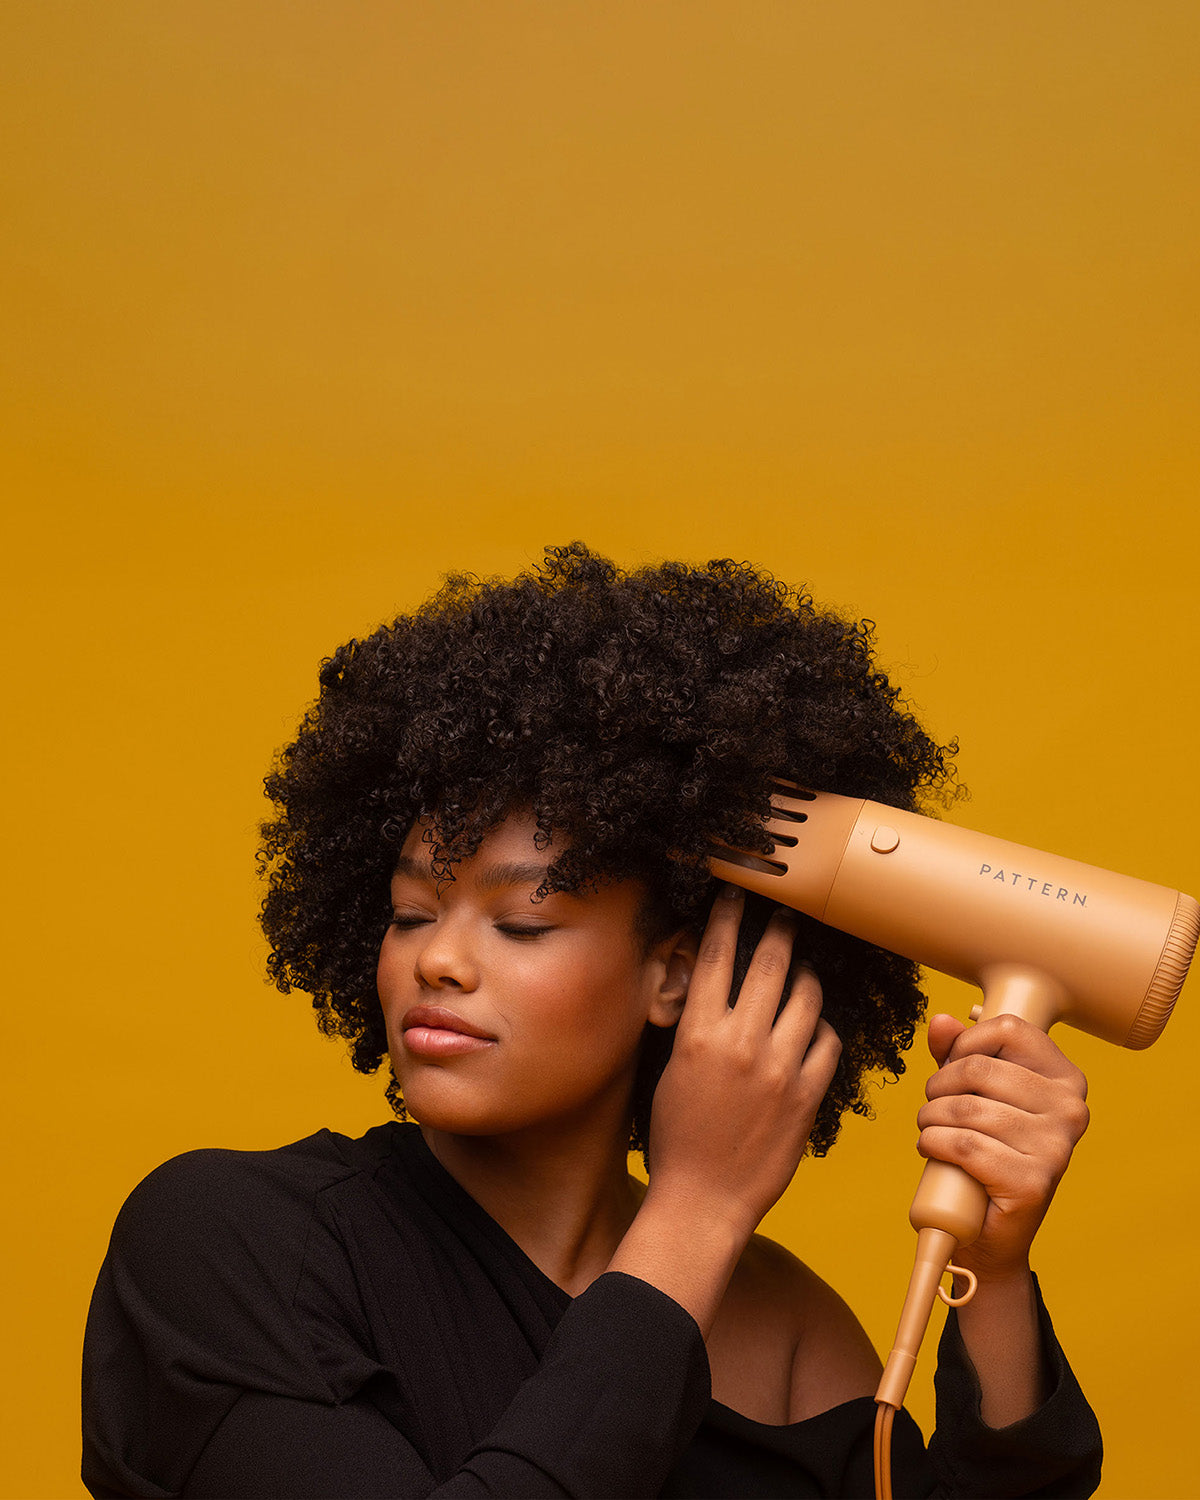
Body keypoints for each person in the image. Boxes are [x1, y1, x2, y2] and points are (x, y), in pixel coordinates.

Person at [82, 544, 1102, 1498]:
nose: (437, 959)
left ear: (677, 975)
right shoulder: (227, 1245)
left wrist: (998, 1266)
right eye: (409, 914)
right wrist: (697, 1210)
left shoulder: (789, 1334)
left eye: (523, 922)